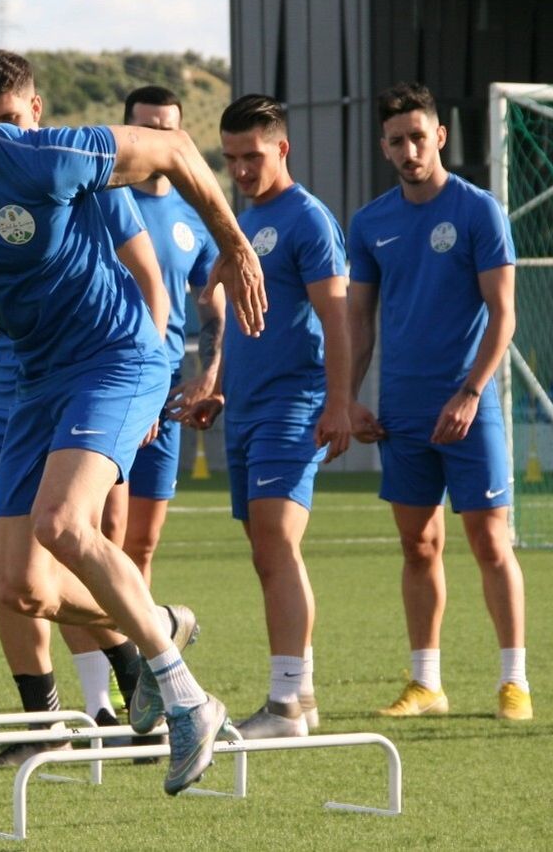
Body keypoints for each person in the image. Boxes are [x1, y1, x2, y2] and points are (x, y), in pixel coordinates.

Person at [0, 22, 266, 796]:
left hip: (114, 356)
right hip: (35, 377)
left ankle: (184, 694)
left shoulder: (41, 156)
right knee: (21, 588)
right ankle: (157, 623)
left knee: (64, 525)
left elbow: (168, 151)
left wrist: (232, 243)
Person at [0, 51, 158, 766]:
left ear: (34, 110)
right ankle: (45, 720)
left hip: (94, 374)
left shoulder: (71, 170)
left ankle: (130, 686)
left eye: (6, 121)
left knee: (76, 537)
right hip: (14, 389)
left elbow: (148, 280)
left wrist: (145, 385)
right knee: (13, 575)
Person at [346, 82, 532, 722]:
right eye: (396, 141)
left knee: (489, 543)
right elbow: (360, 325)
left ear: (440, 137)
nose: (408, 150)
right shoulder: (370, 223)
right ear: (384, 146)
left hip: (468, 407)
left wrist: (471, 392)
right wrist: (348, 398)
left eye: (417, 137)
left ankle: (515, 680)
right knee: (418, 545)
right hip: (401, 411)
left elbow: (503, 316)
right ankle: (427, 683)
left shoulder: (479, 211)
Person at [179, 95, 352, 739]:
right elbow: (236, 316)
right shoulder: (239, 221)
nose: (242, 170)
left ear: (283, 149)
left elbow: (337, 317)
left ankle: (282, 710)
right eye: (230, 159)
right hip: (245, 407)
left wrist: (339, 401)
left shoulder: (308, 220)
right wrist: (216, 382)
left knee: (278, 545)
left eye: (252, 156)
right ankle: (299, 697)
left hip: (295, 401)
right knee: (264, 553)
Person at [119, 85, 226, 584]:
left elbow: (212, 307)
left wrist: (211, 373)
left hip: (167, 391)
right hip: (111, 385)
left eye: (169, 130)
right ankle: (101, 660)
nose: (160, 140)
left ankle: (133, 660)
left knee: (142, 543)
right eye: (147, 130)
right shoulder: (107, 202)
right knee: (104, 534)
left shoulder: (194, 215)